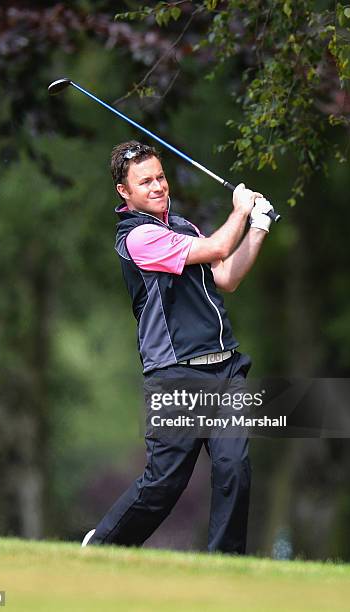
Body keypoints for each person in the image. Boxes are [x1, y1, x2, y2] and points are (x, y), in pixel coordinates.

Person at [81, 140, 274, 553]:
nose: (157, 186)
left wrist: (259, 226)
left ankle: (226, 564)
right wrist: (240, 209)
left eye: (160, 177)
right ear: (124, 192)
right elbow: (220, 247)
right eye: (144, 181)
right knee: (164, 483)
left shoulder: (184, 227)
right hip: (177, 374)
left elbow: (227, 277)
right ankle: (102, 545)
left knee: (234, 468)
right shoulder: (137, 238)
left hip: (226, 368)